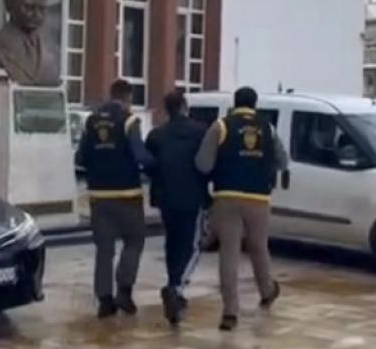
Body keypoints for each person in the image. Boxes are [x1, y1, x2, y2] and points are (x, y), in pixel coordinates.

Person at [195, 86, 288, 331]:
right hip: (259, 198)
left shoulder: (221, 126)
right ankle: (267, 290)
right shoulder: (268, 128)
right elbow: (283, 161)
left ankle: (230, 312)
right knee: (259, 247)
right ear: (255, 104)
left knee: (229, 252)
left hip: (227, 197)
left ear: (234, 103)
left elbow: (203, 164)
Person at [76, 79, 154, 318]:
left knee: (104, 249)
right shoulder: (129, 121)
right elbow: (140, 156)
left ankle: (104, 300)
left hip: (99, 196)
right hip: (127, 194)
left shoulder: (91, 122)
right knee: (134, 241)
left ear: (111, 95)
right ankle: (124, 291)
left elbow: (80, 158)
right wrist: (157, 165)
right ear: (128, 98)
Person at [145, 90, 210, 326]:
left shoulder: (156, 135)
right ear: (184, 107)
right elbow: (207, 163)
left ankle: (174, 284)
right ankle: (176, 287)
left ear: (167, 110)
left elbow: (149, 165)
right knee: (192, 245)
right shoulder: (201, 132)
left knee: (172, 242)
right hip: (192, 196)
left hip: (166, 197)